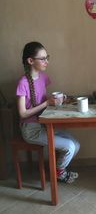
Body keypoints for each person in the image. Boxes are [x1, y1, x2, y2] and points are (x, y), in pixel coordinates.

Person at [16, 41, 80, 183]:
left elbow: (44, 101)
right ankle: (59, 173)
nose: (47, 62)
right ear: (30, 61)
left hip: (45, 124)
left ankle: (58, 169)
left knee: (75, 144)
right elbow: (22, 113)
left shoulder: (43, 78)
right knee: (69, 146)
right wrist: (46, 103)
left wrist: (58, 100)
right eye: (43, 59)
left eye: (47, 57)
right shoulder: (23, 83)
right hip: (31, 130)